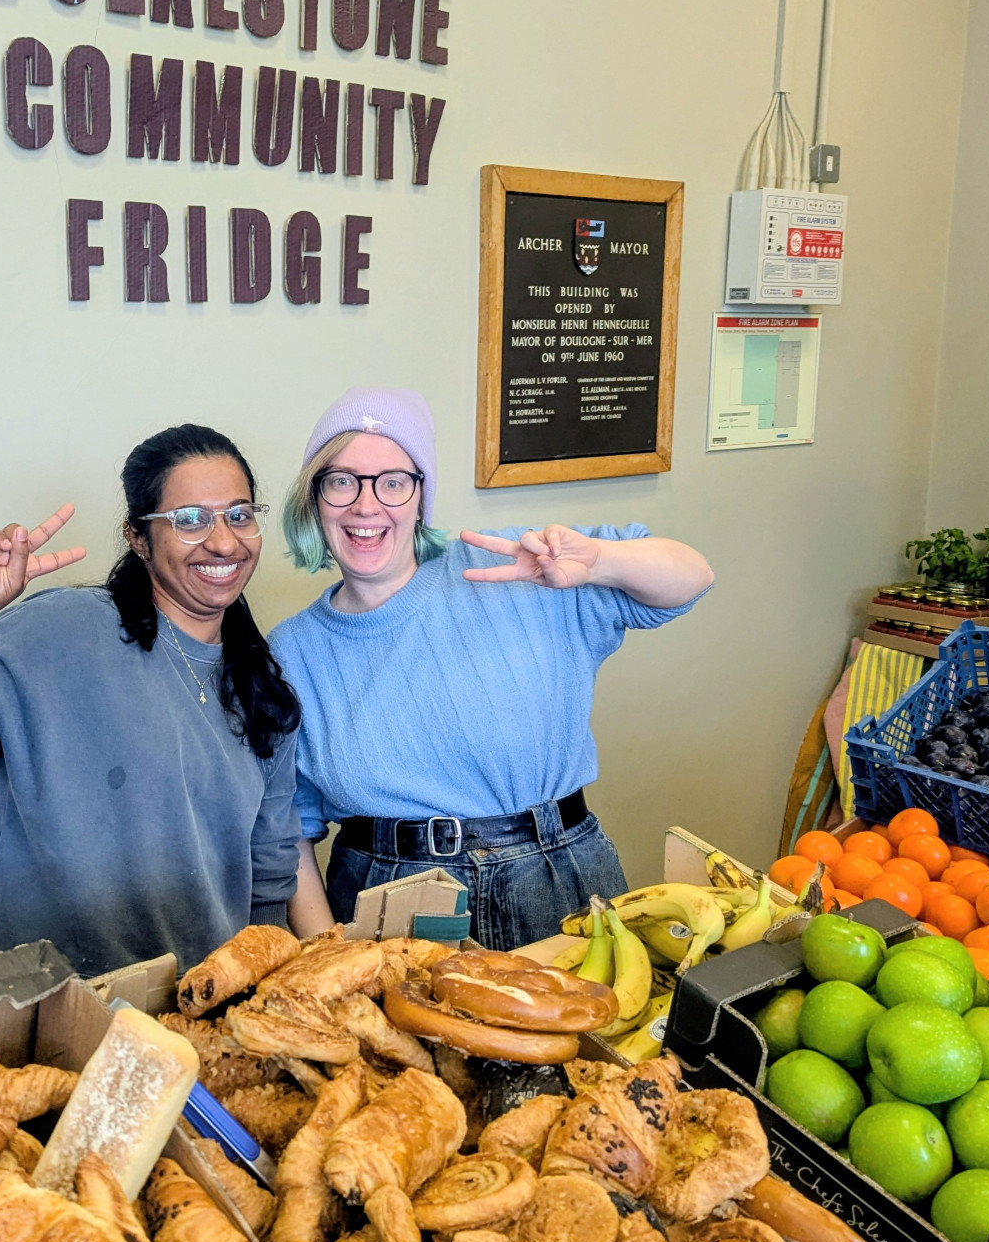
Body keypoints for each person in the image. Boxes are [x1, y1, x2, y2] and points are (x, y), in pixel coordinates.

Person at [0, 424, 302, 978]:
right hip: (46, 995)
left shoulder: (263, 688)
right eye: (189, 520)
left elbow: (271, 872)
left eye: (239, 514)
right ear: (138, 538)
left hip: (197, 1007)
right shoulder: (57, 632)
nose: (225, 541)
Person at [272, 388, 714, 949]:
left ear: (420, 496)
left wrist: (600, 563)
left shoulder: (520, 565)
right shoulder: (291, 652)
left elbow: (692, 578)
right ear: (314, 499)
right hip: (387, 908)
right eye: (341, 480)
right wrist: (326, 955)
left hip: (561, 877)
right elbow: (291, 831)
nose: (367, 504)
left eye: (393, 481)